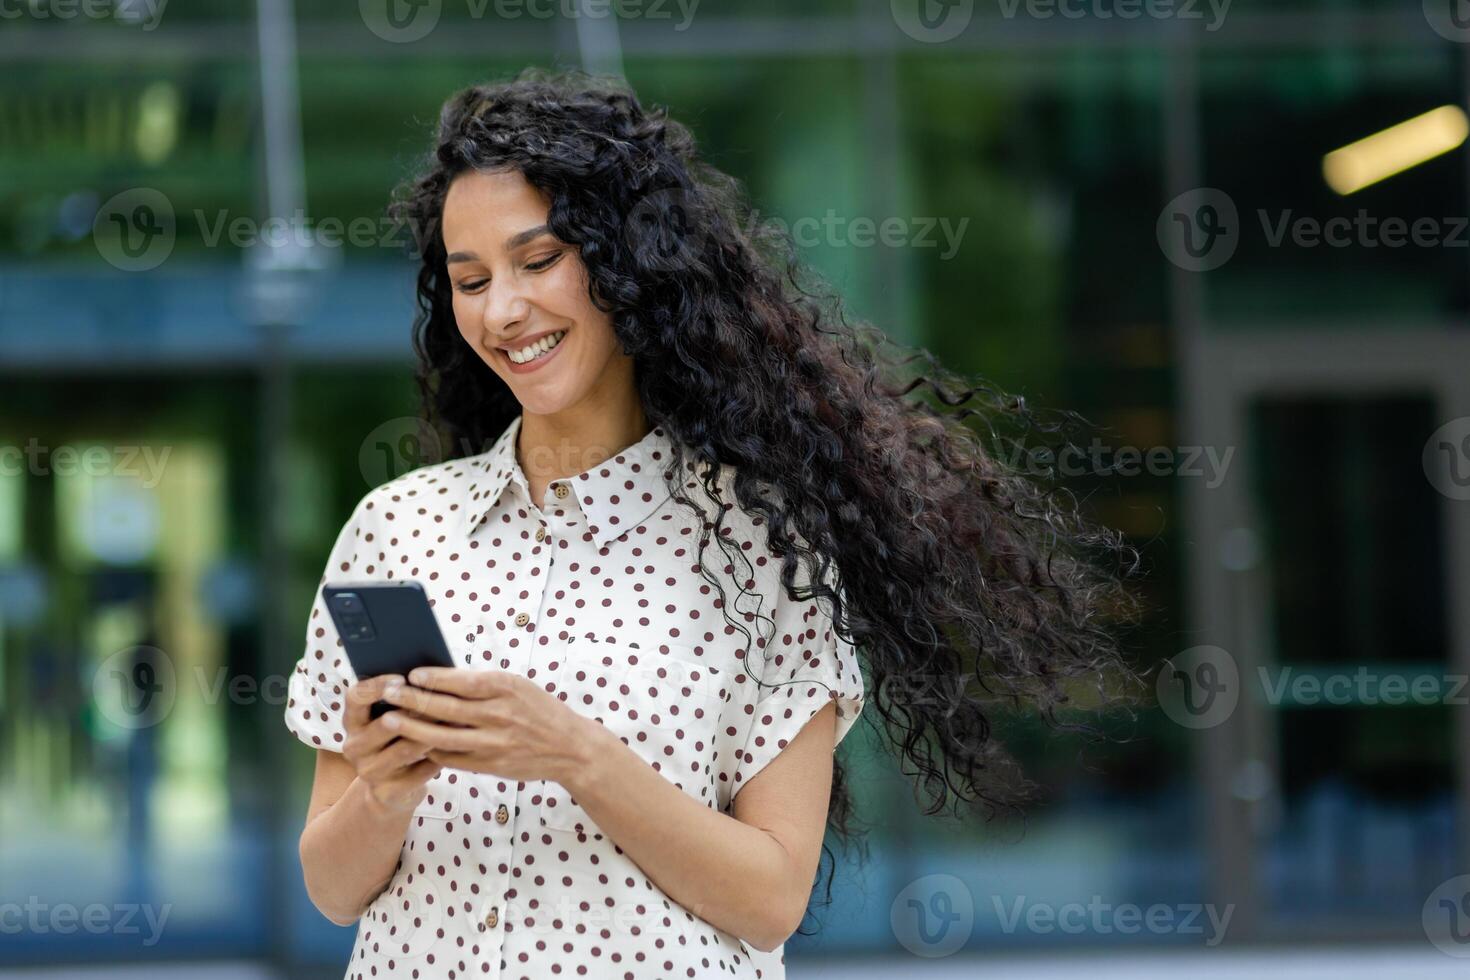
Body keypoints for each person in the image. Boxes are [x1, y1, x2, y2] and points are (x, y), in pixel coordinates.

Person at [285, 66, 1136, 980]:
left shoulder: (757, 542)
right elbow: (333, 891)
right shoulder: (398, 527)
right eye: (470, 278)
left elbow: (771, 896)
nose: (502, 309)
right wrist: (383, 788)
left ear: (625, 262)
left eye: (538, 262)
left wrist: (574, 754)